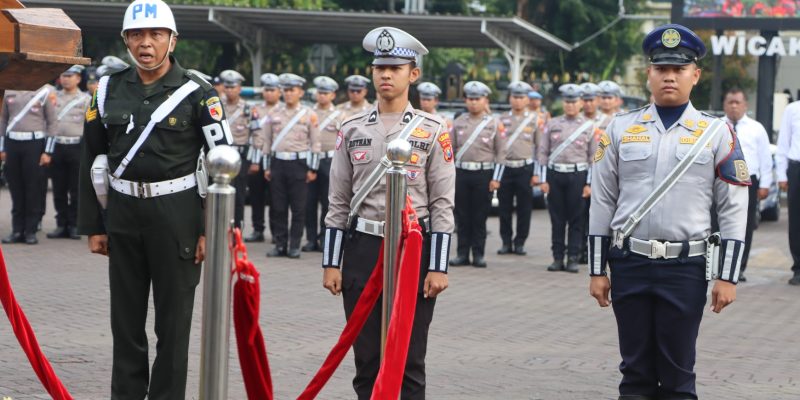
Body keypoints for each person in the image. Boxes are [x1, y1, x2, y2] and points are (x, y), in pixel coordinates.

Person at [77, 1, 232, 397]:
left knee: (173, 327)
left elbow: (224, 164)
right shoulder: (106, 88)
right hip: (124, 213)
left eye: (155, 35)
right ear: (126, 40)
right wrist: (94, 226)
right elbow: (90, 154)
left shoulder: (199, 92)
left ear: (172, 39)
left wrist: (211, 230)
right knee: (125, 323)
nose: (146, 44)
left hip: (177, 215)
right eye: (137, 35)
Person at [589, 24, 748, 400]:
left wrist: (728, 277)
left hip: (685, 268)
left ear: (696, 75)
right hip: (630, 263)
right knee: (635, 372)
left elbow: (734, 209)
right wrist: (597, 269)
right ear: (649, 74)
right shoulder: (620, 129)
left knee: (678, 374)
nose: (670, 77)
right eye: (662, 69)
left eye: (679, 69)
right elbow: (602, 201)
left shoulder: (717, 133)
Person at [321, 26, 453, 399]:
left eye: (395, 68)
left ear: (413, 74)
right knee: (367, 360)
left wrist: (438, 266)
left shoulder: (433, 130)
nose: (385, 75)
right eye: (380, 68)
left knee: (410, 359)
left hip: (412, 249)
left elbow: (443, 204)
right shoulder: (351, 128)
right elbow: (338, 202)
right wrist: (332, 263)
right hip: (363, 247)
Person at [260, 73, 320, 258]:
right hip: (278, 163)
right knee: (278, 207)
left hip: (298, 164)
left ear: (300, 92)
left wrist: (313, 169)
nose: (288, 94)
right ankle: (280, 245)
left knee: (298, 207)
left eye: (292, 90)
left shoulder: (309, 114)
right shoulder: (273, 114)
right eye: (285, 90)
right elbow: (266, 141)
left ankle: (294, 245)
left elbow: (315, 143)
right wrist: (266, 166)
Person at [538, 84, 594, 273]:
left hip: (578, 175)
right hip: (555, 175)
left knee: (576, 219)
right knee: (557, 219)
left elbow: (593, 158)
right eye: (567, 102)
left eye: (574, 102)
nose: (570, 105)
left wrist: (589, 183)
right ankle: (557, 258)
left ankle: (573, 258)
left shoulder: (589, 126)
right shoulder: (552, 124)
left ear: (580, 103)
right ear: (563, 103)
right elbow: (543, 152)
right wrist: (543, 179)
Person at [449, 81, 505, 268]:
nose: (473, 103)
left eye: (477, 99)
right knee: (462, 216)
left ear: (485, 100)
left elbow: (501, 152)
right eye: (470, 99)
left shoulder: (494, 124)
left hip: (484, 174)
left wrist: (496, 178)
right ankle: (462, 253)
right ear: (465, 100)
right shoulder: (458, 122)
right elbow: (450, 150)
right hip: (462, 173)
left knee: (479, 216)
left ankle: (478, 254)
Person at [722, 88, 772, 282]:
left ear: (745, 106)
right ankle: (718, 265)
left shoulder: (756, 128)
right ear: (724, 105)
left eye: (738, 102)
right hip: (721, 181)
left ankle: (739, 267)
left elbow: (765, 159)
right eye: (730, 102)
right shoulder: (717, 126)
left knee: (745, 225)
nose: (734, 106)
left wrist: (765, 184)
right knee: (717, 223)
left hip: (747, 182)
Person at [0, 83, 57, 245]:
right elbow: (3, 120)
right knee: (15, 188)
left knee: (32, 188)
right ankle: (17, 230)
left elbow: (52, 122)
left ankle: (30, 231)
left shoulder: (45, 91)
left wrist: (48, 151)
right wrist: (2, 147)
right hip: (12, 144)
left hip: (34, 144)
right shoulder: (9, 89)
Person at [47, 65, 91, 240]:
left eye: (70, 75)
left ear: (78, 79)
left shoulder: (86, 99)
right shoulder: (52, 97)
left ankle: (74, 225)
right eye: (63, 75)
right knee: (58, 188)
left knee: (75, 189)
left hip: (76, 147)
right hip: (57, 146)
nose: (66, 79)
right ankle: (61, 224)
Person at [497, 81, 539, 256]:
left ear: (527, 100)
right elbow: (497, 147)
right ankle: (506, 242)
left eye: (521, 97)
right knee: (504, 207)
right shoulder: (501, 120)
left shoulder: (535, 120)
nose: (518, 101)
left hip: (525, 168)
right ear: (510, 98)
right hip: (506, 168)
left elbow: (539, 147)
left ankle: (520, 242)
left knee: (524, 208)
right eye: (515, 97)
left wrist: (536, 173)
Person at [302, 76, 341, 252]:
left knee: (327, 202)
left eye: (326, 93)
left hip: (330, 160)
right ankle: (310, 239)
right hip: (310, 160)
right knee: (309, 202)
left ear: (333, 95)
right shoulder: (307, 113)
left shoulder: (340, 115)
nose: (322, 96)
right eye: (320, 92)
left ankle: (325, 238)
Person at [220, 69, 261, 229]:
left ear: (239, 88)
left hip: (240, 158)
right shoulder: (216, 105)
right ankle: (219, 228)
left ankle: (237, 229)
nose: (230, 90)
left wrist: (255, 161)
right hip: (220, 157)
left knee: (238, 196)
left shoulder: (249, 109)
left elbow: (257, 135)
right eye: (227, 87)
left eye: (233, 87)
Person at [245, 72, 283, 243]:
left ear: (279, 91)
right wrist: (253, 161)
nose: (269, 93)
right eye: (266, 89)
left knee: (275, 197)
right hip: (257, 156)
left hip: (275, 158)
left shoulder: (283, 110)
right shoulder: (255, 109)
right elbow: (253, 135)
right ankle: (257, 229)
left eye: (272, 90)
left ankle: (276, 232)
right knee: (256, 196)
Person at [777, 92, 800, 285]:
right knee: (796, 221)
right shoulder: (793, 110)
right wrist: (782, 175)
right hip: (797, 167)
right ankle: (798, 268)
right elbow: (783, 143)